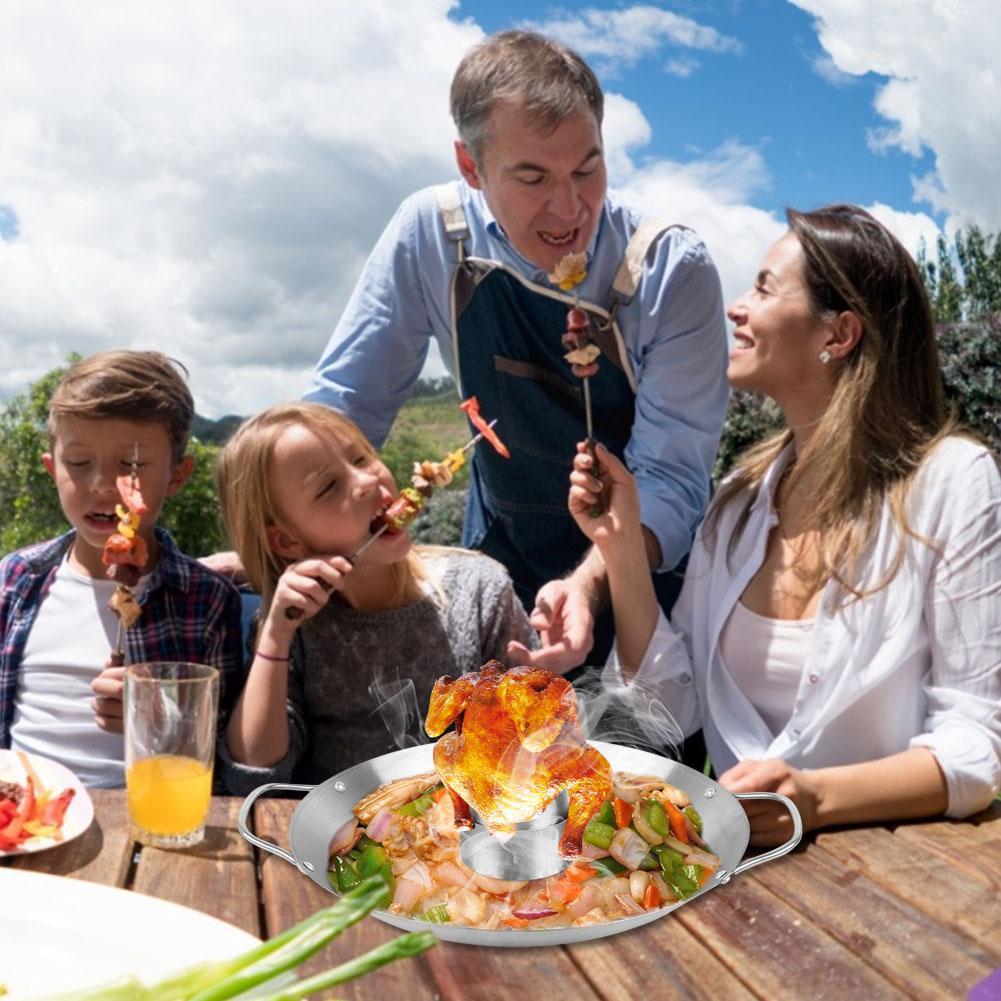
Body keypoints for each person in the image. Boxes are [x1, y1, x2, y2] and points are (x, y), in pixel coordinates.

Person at [568, 204, 1001, 845]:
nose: (736, 308)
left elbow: (980, 742)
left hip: (905, 883)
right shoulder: (738, 503)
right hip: (744, 885)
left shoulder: (955, 483)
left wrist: (815, 799)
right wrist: (622, 548)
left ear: (838, 334)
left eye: (764, 288)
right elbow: (668, 706)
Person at [305, 30, 729, 673]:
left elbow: (671, 477)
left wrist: (589, 584)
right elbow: (341, 412)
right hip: (498, 567)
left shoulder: (669, 268)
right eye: (532, 177)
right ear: (470, 166)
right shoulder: (435, 236)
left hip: (646, 585)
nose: (569, 208)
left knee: (641, 769)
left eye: (588, 168)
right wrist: (273, 532)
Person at [214, 401, 535, 793]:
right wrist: (275, 635)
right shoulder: (294, 626)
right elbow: (253, 772)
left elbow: (536, 745)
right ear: (286, 540)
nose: (367, 481)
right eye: (328, 486)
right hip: (340, 837)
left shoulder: (480, 591)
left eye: (363, 458)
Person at [0, 351, 245, 787]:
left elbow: (225, 755)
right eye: (78, 463)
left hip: (145, 822)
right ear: (52, 469)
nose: (100, 483)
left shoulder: (205, 599)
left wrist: (158, 718)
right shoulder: (16, 580)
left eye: (130, 467)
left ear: (176, 476)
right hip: (22, 812)